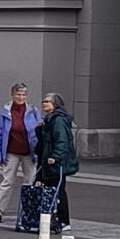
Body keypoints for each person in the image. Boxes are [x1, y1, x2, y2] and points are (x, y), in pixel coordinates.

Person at [0, 82, 41, 224]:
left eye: (24, 94)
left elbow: (38, 131)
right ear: (12, 95)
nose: (21, 97)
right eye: (18, 94)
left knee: (30, 182)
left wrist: (38, 150)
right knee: (7, 181)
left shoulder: (33, 110)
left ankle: (28, 210)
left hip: (29, 152)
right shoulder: (6, 111)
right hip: (11, 151)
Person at [34, 92, 79, 231]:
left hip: (54, 162)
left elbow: (61, 140)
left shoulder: (58, 120)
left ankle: (63, 220)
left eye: (47, 101)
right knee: (49, 189)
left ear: (55, 104)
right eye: (43, 101)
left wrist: (56, 156)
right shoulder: (49, 119)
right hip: (47, 160)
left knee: (58, 190)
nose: (44, 103)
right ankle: (51, 218)